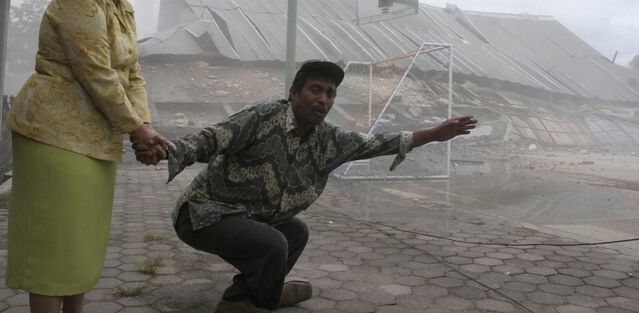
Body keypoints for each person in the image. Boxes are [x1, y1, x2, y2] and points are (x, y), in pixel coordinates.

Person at [138, 60, 476, 313]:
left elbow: (377, 143)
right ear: (294, 94)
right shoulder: (263, 117)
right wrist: (170, 151)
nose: (324, 99)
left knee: (295, 232)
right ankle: (265, 299)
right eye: (316, 89)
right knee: (273, 244)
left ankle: (246, 296)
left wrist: (434, 134)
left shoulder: (329, 140)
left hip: (251, 217)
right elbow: (214, 137)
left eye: (330, 93)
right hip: (202, 215)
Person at [5, 0, 168, 313]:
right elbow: (96, 70)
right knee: (52, 244)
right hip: (52, 134)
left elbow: (132, 74)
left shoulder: (123, 9)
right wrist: (137, 127)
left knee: (81, 242)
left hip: (96, 139)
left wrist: (140, 128)